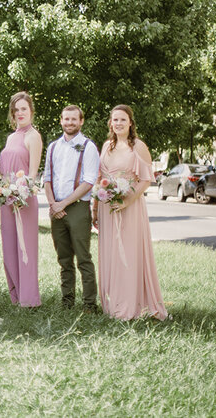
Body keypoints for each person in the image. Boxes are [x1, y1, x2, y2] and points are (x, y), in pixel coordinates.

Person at [94, 105, 168, 320]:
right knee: (112, 254)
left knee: (128, 253)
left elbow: (146, 180)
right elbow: (100, 178)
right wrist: (97, 206)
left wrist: (127, 202)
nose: (118, 123)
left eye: (122, 120)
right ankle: (114, 303)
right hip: (109, 207)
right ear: (110, 123)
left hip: (131, 207)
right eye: (114, 120)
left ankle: (131, 306)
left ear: (130, 123)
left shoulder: (139, 147)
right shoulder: (107, 146)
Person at [43, 105, 100, 312]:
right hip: (55, 207)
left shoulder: (88, 146)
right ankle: (67, 302)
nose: (69, 123)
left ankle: (89, 304)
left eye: (73, 119)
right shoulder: (53, 147)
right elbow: (47, 178)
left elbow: (88, 181)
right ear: (61, 120)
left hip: (77, 207)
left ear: (81, 121)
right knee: (64, 258)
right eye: (66, 119)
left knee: (83, 257)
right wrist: (53, 204)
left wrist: (63, 204)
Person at [0, 92, 43, 307]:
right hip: (7, 199)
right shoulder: (11, 137)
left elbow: (32, 173)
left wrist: (20, 192)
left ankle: (29, 298)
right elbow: (4, 170)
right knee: (9, 248)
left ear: (31, 111)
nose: (20, 113)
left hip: (23, 200)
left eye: (24, 109)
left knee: (25, 248)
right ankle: (15, 295)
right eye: (16, 110)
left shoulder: (33, 136)